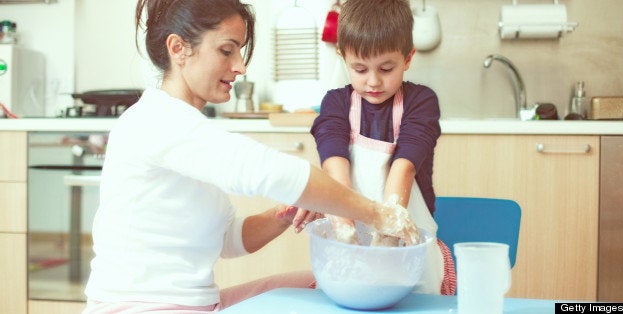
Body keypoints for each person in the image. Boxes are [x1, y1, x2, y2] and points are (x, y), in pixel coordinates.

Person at [82, 0, 419, 312]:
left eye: (240, 52)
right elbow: (272, 172)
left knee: (320, 285)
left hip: (197, 303)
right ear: (178, 49)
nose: (240, 66)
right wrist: (380, 215)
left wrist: (283, 215)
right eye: (227, 51)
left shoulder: (186, 127)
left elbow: (227, 240)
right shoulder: (158, 121)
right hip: (142, 307)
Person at [308, 0, 456, 295]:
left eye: (386, 68)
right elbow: (334, 165)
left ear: (408, 58)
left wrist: (387, 242)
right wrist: (345, 234)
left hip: (408, 253)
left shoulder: (421, 102)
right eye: (359, 69)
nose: (373, 81)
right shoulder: (336, 104)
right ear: (343, 57)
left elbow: (405, 166)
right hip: (347, 246)